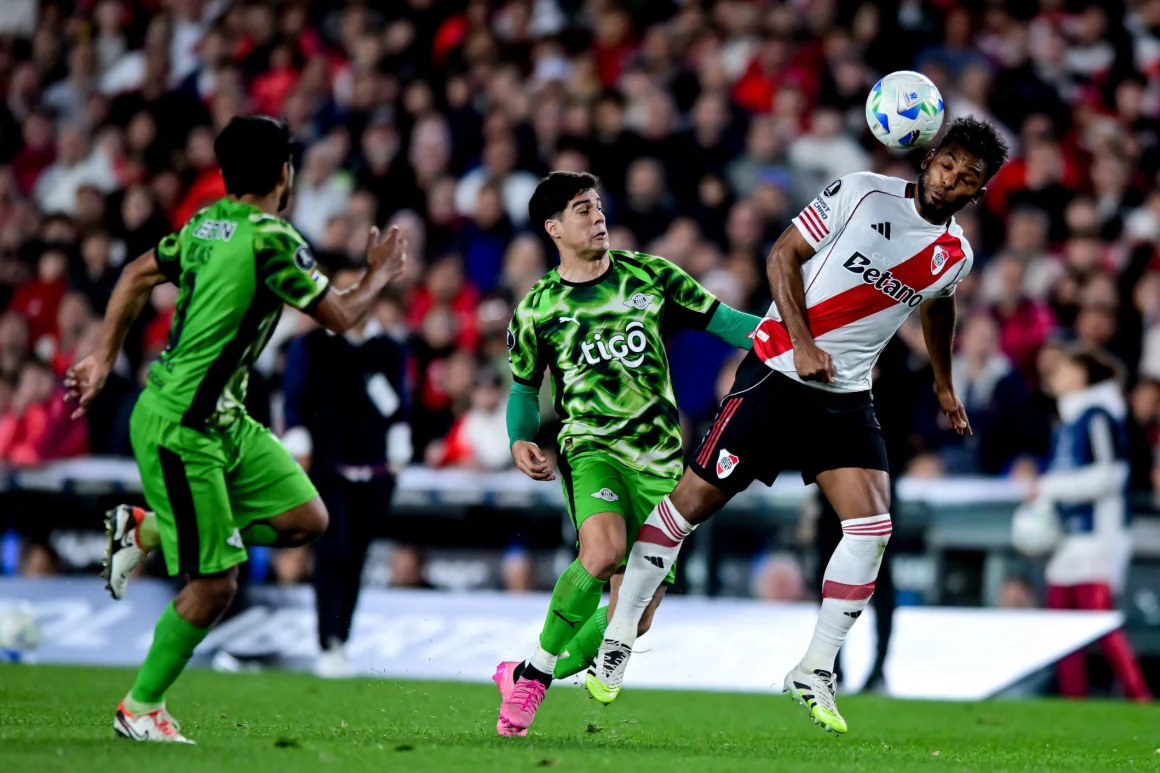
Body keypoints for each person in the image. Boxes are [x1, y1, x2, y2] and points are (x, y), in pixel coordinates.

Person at [589, 117, 1010, 735]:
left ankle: (814, 669)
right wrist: (805, 343)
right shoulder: (862, 191)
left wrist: (944, 384)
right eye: (948, 164)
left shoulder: (955, 256)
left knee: (872, 526)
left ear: (979, 191)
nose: (952, 181)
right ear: (929, 159)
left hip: (845, 395)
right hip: (778, 372)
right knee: (690, 503)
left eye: (969, 178)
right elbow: (782, 253)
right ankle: (619, 634)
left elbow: (939, 308)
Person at [63, 115, 408, 743]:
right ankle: (140, 706)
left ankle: (146, 531)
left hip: (225, 418)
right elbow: (339, 317)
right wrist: (379, 274)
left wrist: (104, 355)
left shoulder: (204, 224)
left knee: (307, 519)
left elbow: (137, 271)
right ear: (284, 173)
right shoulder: (272, 239)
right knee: (216, 584)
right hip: (181, 426)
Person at [493, 171, 762, 737]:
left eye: (598, 206)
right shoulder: (538, 308)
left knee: (632, 619)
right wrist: (521, 436)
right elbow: (523, 387)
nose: (597, 217)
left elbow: (727, 323)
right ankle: (537, 679)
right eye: (582, 209)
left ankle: (518, 674)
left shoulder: (651, 275)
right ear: (553, 227)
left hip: (662, 460)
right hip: (592, 447)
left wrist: (790, 338)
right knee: (604, 549)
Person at [281, 262, 411, 679]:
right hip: (325, 468)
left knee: (356, 557)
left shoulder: (387, 349)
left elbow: (400, 410)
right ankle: (326, 642)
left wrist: (396, 457)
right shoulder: (312, 346)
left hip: (373, 473)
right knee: (331, 552)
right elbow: (294, 403)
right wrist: (299, 449)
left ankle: (342, 640)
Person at [1028, 345, 1151, 702]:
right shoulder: (1066, 423)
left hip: (1100, 535)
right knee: (1061, 620)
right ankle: (1073, 700)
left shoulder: (1098, 416)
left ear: (1083, 375)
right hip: (1069, 536)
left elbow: (1112, 475)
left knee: (1097, 619)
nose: (1056, 375)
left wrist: (1051, 487)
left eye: (1065, 368)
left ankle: (1138, 694)